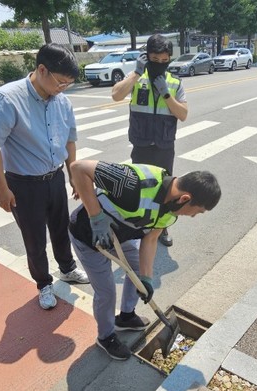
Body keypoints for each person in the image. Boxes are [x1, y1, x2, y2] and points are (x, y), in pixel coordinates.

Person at [68, 160, 220, 360]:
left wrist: (146, 279)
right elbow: (78, 168)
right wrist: (96, 217)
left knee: (139, 272)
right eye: (198, 211)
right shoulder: (132, 183)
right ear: (185, 198)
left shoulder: (170, 211)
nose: (193, 216)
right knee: (106, 292)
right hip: (88, 236)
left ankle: (126, 317)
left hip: (122, 235)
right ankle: (106, 337)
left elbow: (151, 239)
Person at [0, 43, 89, 310]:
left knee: (61, 227)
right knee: (35, 238)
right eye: (61, 82)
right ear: (42, 70)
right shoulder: (7, 99)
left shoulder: (62, 101)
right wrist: (2, 188)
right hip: (24, 184)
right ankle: (44, 284)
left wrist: (73, 175)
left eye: (68, 84)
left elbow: (70, 140)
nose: (63, 88)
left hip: (55, 178)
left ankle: (67, 268)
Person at [111, 34, 188, 247]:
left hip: (164, 146)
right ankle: (140, 224)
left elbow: (182, 114)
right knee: (140, 186)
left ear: (169, 59)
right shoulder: (137, 77)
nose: (160, 64)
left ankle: (161, 228)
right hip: (141, 144)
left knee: (166, 189)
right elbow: (116, 95)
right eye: (155, 59)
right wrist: (137, 73)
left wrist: (166, 95)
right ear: (147, 57)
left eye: (164, 60)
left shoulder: (174, 82)